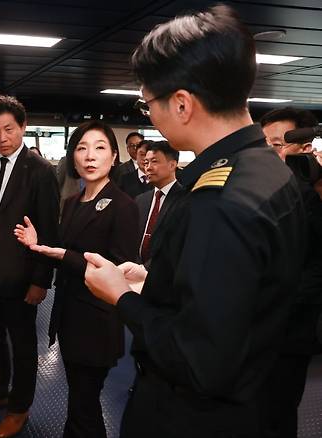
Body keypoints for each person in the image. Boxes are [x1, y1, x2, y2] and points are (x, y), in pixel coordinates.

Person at [81, 5, 307, 438]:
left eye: (148, 104)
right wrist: (158, 278)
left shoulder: (219, 201)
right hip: (256, 395)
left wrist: (121, 298)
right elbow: (242, 292)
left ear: (182, 104)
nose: (150, 115)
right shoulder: (267, 169)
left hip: (191, 416)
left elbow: (200, 360)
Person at [14, 120, 139, 438]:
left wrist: (59, 254)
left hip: (97, 321)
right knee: (81, 403)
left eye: (99, 148)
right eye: (81, 148)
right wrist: (38, 244)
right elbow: (63, 252)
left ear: (114, 157)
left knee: (84, 404)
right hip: (68, 317)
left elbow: (116, 269)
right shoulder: (71, 203)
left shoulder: (123, 206)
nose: (89, 156)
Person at [0, 95, 59, 438]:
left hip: (20, 272)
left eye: (8, 130)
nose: (2, 138)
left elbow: (47, 228)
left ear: (23, 127)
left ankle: (19, 407)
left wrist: (41, 280)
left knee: (22, 342)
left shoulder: (40, 171)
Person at [259, 107, 322, 437]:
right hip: (254, 331)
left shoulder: (310, 197)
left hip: (289, 331)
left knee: (278, 414)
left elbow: (315, 269)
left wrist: (276, 303)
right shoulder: (262, 190)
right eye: (264, 143)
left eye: (279, 144)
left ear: (306, 147)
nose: (269, 152)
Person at [134, 141, 181, 266]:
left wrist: (146, 269)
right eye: (146, 162)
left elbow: (176, 245)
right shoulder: (140, 200)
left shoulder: (185, 199)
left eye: (154, 161)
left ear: (172, 165)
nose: (148, 167)